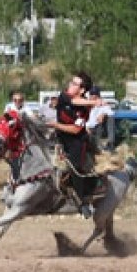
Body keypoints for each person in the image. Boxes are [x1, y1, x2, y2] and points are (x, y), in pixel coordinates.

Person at [48, 72, 105, 218]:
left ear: (82, 90)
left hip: (76, 141)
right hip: (60, 140)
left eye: (75, 84)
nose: (70, 85)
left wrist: (56, 125)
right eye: (71, 82)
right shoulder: (64, 96)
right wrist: (94, 102)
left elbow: (75, 129)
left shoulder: (84, 109)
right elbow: (74, 102)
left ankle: (82, 202)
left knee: (75, 168)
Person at [85, 86, 116, 152]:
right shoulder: (86, 104)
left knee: (110, 117)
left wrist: (103, 114)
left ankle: (110, 143)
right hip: (87, 128)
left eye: (95, 96)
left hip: (98, 127)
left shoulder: (102, 103)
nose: (93, 98)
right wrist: (86, 127)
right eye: (91, 96)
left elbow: (111, 113)